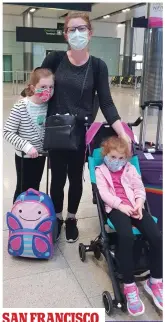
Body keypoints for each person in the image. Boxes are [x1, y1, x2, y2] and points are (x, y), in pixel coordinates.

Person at [41, 11, 131, 243]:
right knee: (57, 178)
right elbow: (41, 89)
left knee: (75, 178)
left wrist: (122, 132)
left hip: (80, 134)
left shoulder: (97, 66)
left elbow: (107, 102)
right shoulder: (55, 59)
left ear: (90, 33)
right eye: (72, 29)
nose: (77, 33)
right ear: (65, 34)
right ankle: (57, 218)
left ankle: (72, 219)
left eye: (82, 29)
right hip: (57, 132)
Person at [96, 136, 163, 317]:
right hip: (117, 208)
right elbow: (104, 194)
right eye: (113, 157)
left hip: (135, 206)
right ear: (106, 155)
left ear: (126, 158)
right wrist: (120, 205)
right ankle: (129, 285)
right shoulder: (100, 171)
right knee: (126, 237)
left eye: (121, 158)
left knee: (157, 237)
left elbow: (139, 187)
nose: (117, 162)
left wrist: (139, 204)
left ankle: (155, 280)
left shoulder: (130, 168)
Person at [3, 68, 54, 202]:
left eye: (51, 87)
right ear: (32, 87)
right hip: (24, 157)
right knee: (22, 188)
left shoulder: (49, 106)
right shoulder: (21, 106)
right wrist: (26, 146)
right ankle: (18, 215)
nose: (47, 90)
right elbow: (7, 132)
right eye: (43, 87)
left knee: (34, 187)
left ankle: (31, 215)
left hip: (41, 155)